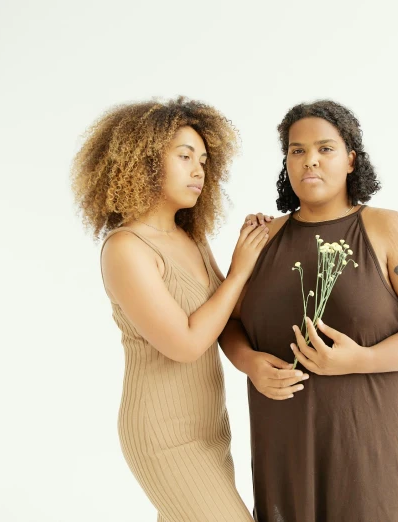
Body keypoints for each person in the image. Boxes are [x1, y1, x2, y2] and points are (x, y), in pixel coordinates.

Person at [221, 100, 398, 522]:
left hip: (367, 445)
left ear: (351, 159)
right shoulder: (262, 239)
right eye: (296, 150)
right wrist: (251, 364)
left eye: (325, 149)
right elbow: (229, 321)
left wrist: (363, 359)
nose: (309, 160)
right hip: (282, 444)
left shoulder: (388, 229)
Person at [72, 97, 266, 522]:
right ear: (143, 161)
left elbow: (229, 315)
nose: (199, 170)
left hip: (210, 427)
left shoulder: (191, 238)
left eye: (203, 159)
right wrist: (239, 270)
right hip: (163, 435)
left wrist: (264, 245)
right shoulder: (126, 248)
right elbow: (186, 343)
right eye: (184, 156)